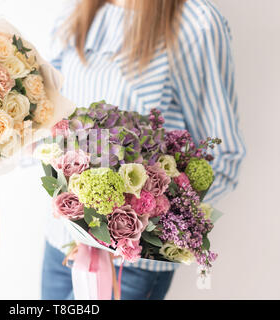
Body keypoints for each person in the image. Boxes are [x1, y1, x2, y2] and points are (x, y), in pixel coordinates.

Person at [41, 0, 246, 300]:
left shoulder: (195, 22)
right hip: (60, 246)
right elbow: (52, 115)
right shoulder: (80, 9)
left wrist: (133, 229)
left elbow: (223, 155)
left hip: (130, 265)